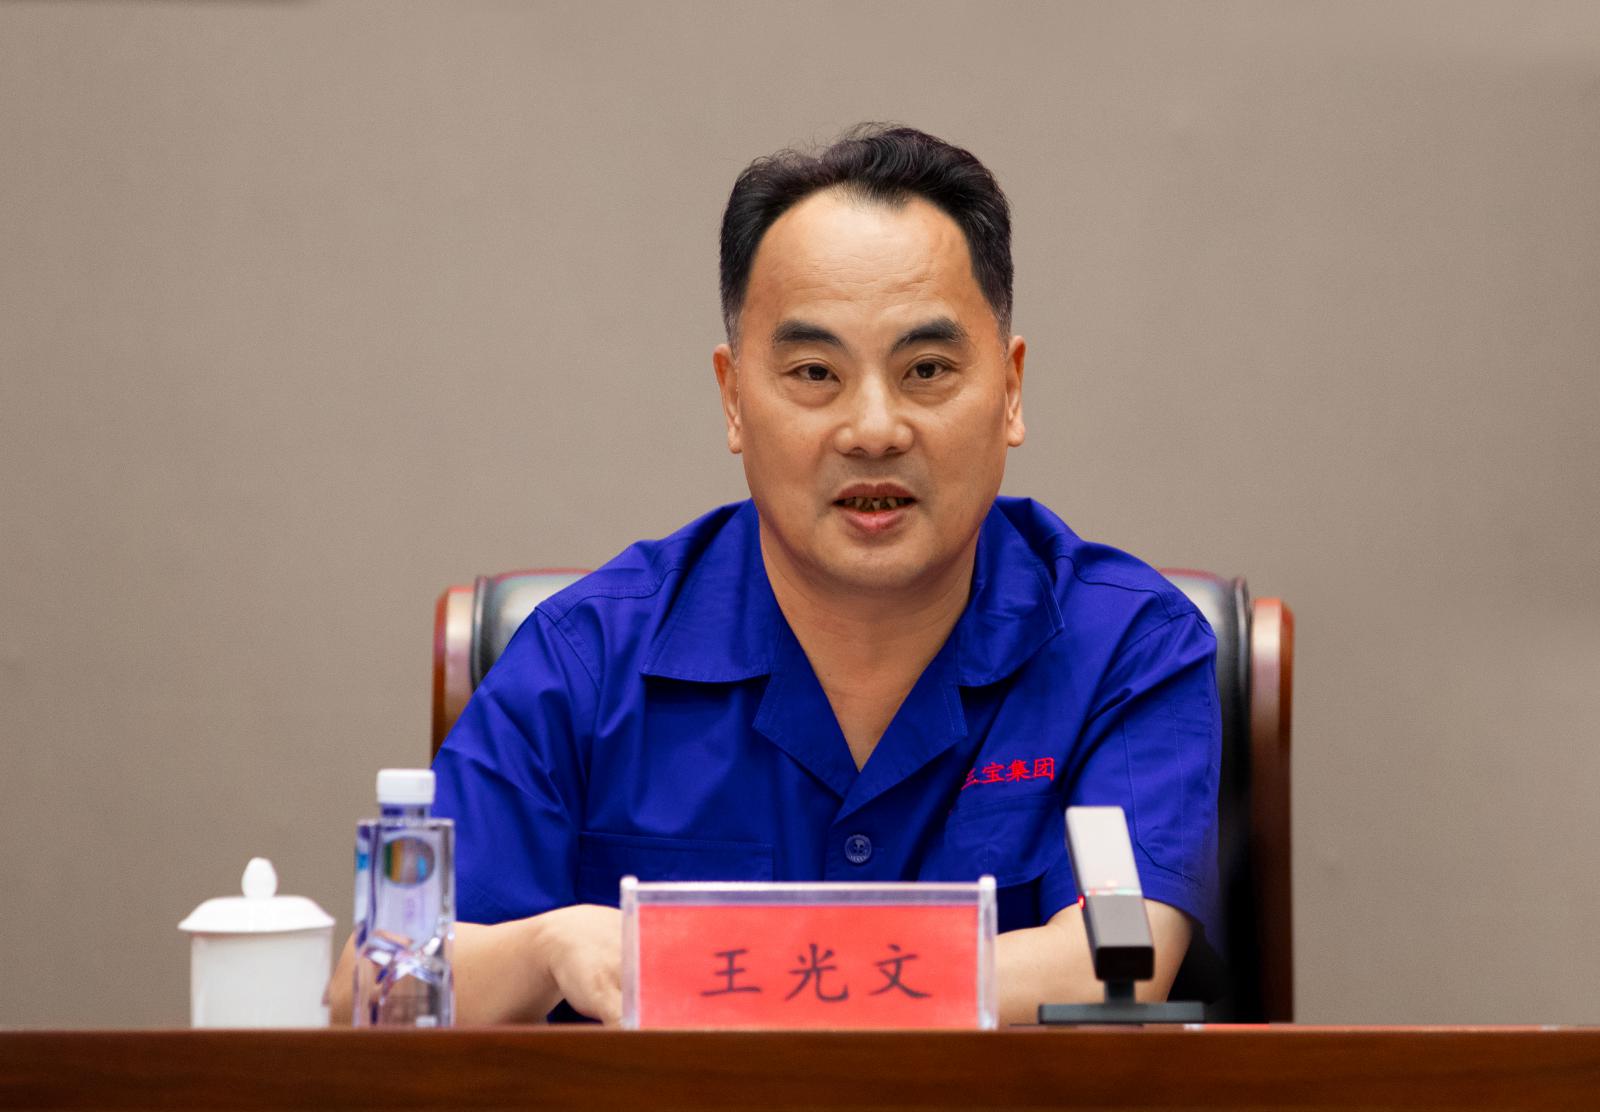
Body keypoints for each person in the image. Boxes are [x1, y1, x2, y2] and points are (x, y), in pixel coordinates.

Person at [330, 124, 1220, 1027]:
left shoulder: (1126, 649)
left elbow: (1116, 964)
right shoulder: (582, 663)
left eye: (926, 370)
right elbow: (366, 996)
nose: (873, 429)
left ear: (1011, 389)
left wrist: (705, 964)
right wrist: (546, 947)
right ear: (733, 399)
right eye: (814, 372)